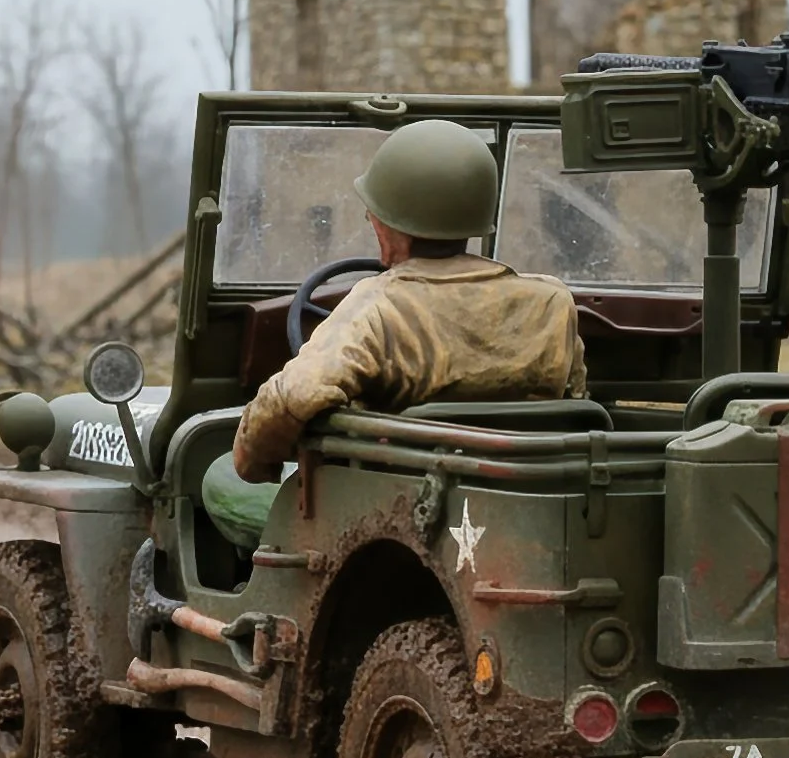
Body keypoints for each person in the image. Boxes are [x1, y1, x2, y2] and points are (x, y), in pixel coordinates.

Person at [222, 119, 587, 501]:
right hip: (529, 498)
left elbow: (293, 396)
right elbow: (574, 406)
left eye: (372, 215)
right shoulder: (551, 303)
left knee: (221, 485)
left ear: (389, 224)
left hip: (393, 505)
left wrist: (254, 460)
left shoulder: (377, 305)